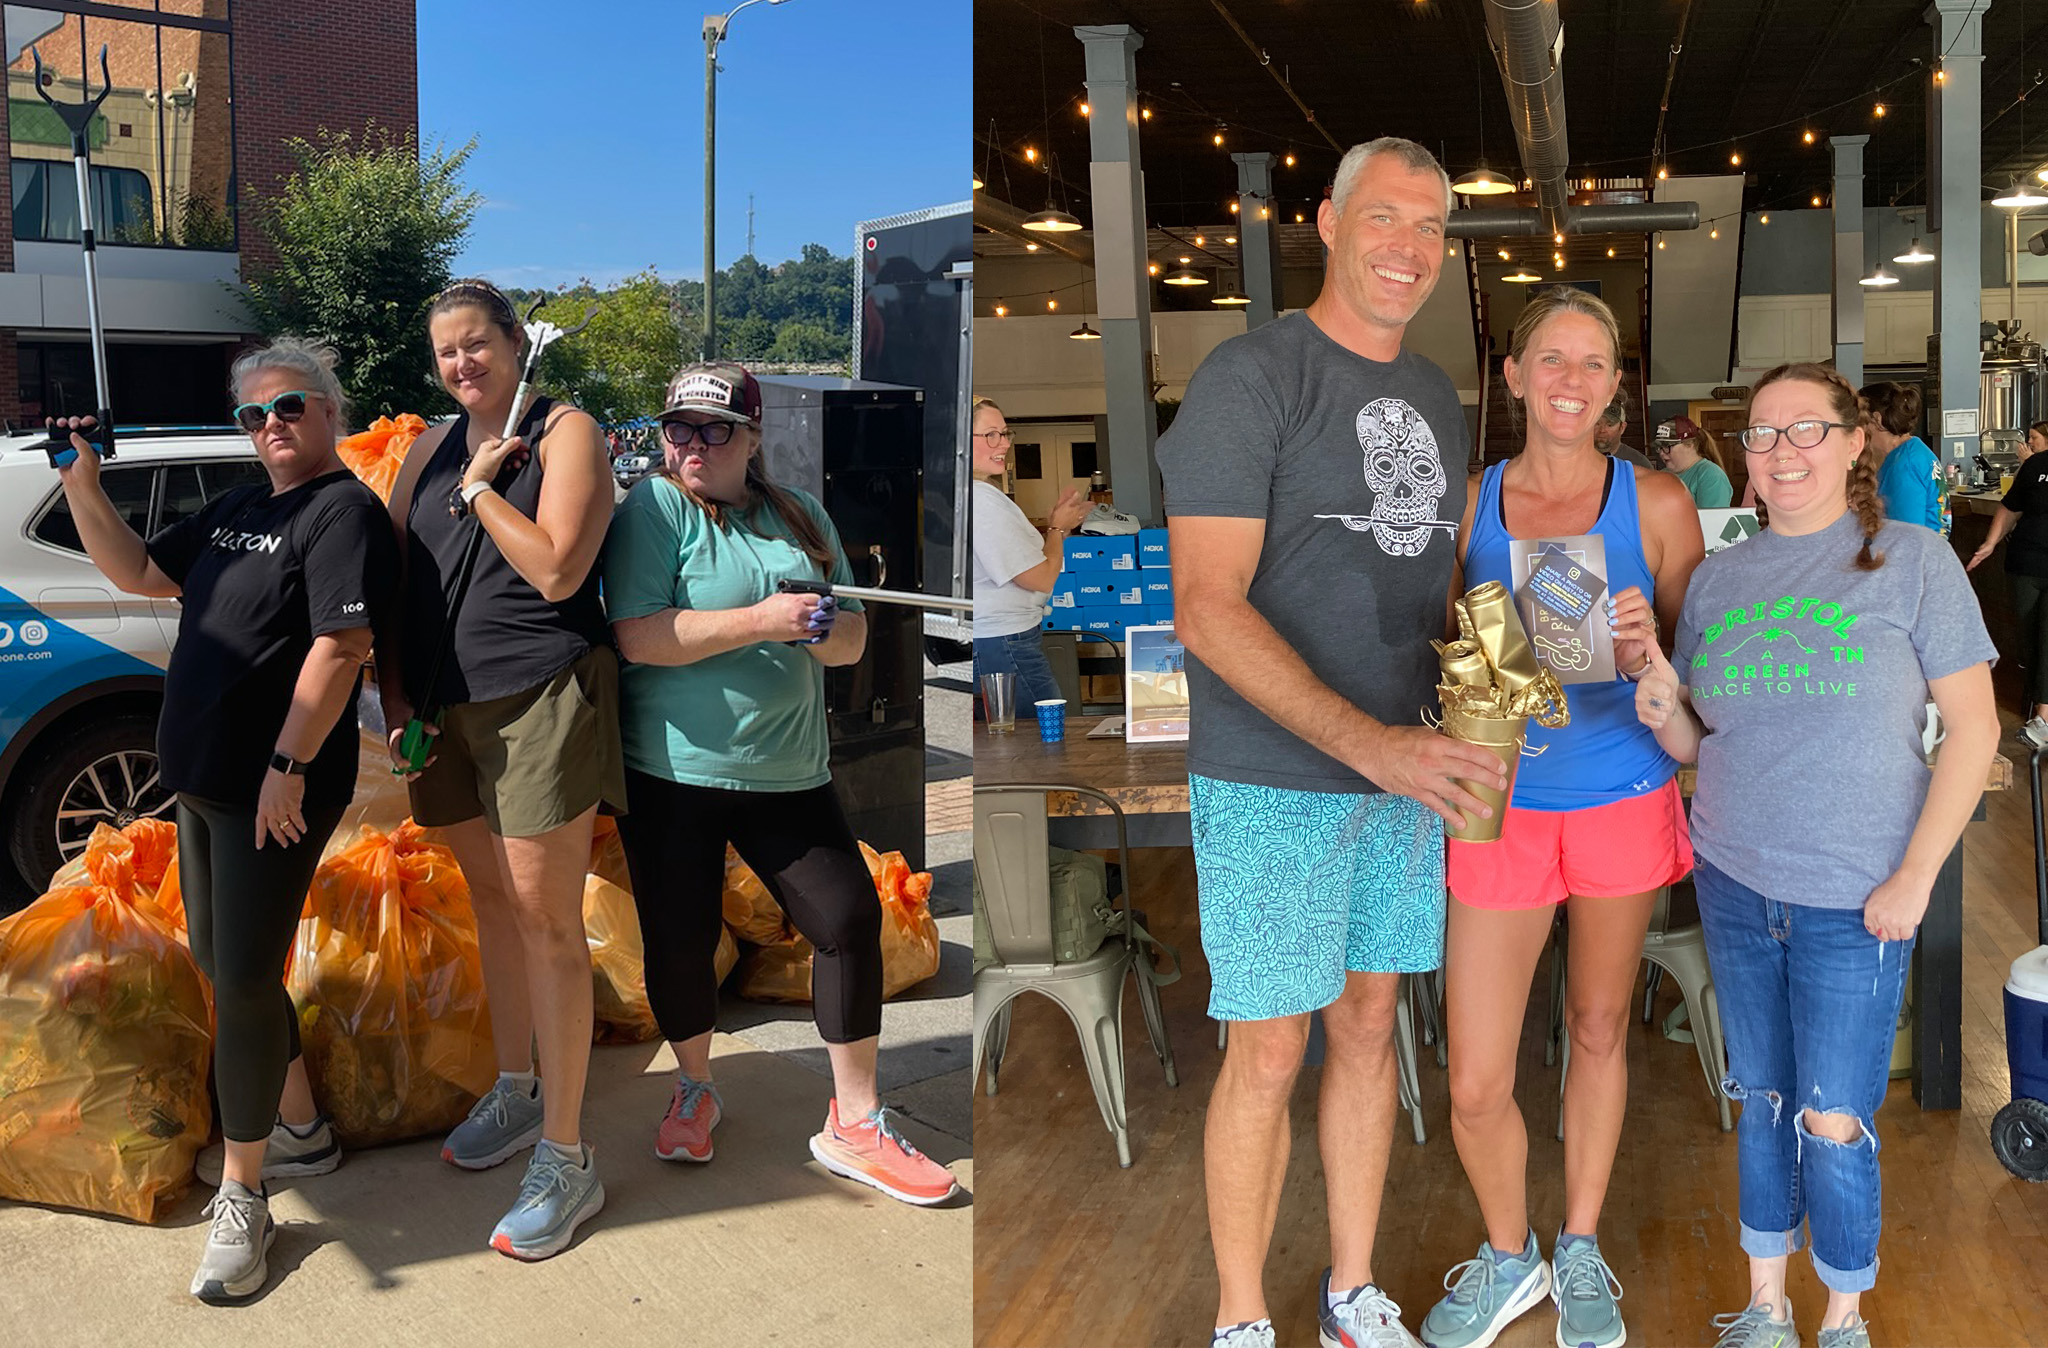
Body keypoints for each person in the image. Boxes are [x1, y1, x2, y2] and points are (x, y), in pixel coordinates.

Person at [1156, 136, 1505, 1348]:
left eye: (1430, 228)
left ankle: (1352, 1291)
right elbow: (1204, 603)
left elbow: (1425, 579)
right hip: (1272, 779)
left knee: (1368, 1028)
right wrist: (1376, 748)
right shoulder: (1249, 377)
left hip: (1404, 770)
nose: (1408, 249)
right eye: (1387, 219)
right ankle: (1242, 1319)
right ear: (1329, 221)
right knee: (1266, 1049)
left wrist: (1494, 681)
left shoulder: (1429, 396)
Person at [1633, 362, 1998, 1348]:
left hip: (1857, 892)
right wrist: (1662, 700)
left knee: (1831, 1117)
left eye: (1803, 430)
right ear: (1741, 461)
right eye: (1760, 434)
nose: (1781, 450)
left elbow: (1972, 730)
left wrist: (1913, 878)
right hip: (1734, 877)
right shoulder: (1717, 580)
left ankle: (1840, 1315)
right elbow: (1702, 746)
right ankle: (1762, 1305)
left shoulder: (1912, 560)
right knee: (1761, 1099)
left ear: (1850, 443)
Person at [53, 338, 398, 1302]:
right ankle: (299, 1129)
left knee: (246, 979)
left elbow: (341, 645)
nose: (271, 427)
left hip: (270, 789)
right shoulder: (246, 505)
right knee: (221, 962)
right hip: (205, 782)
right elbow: (138, 574)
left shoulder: (342, 512)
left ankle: (249, 1196)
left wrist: (289, 764)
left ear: (330, 410)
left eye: (289, 407)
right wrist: (84, 482)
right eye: (253, 415)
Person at [601, 362, 959, 1206]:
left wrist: (824, 628)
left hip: (789, 769)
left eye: (714, 430)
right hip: (672, 770)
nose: (690, 445)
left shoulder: (798, 512)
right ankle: (693, 1088)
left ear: (752, 439)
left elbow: (852, 641)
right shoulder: (653, 510)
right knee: (679, 938)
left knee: (846, 919)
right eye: (677, 429)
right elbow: (640, 637)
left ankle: (857, 1119)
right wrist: (763, 619)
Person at [1426, 288, 1704, 1348]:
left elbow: (1697, 661)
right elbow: (1438, 643)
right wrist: (1464, 659)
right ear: (1511, 374)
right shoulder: (1469, 503)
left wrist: (1649, 651)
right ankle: (1509, 1255)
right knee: (1476, 1075)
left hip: (1621, 798)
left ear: (1614, 385)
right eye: (1551, 359)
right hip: (1498, 805)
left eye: (1592, 364)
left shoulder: (1658, 503)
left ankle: (1576, 1243)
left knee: (1596, 1027)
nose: (1570, 381)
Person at [379, 278, 626, 1260]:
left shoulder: (566, 432)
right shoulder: (424, 450)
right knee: (490, 904)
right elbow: (398, 580)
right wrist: (397, 702)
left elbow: (559, 568)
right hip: (445, 712)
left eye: (476, 343)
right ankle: (520, 1091)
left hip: (536, 696)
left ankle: (568, 1159)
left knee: (546, 922)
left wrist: (483, 488)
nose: (461, 364)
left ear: (517, 343)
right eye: (445, 351)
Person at [971, 396, 1087, 706]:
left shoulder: (970, 494)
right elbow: (1039, 578)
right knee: (1041, 737)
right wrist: (1057, 529)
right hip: (1003, 642)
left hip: (997, 639)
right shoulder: (979, 500)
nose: (1004, 444)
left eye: (1005, 433)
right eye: (990, 434)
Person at [1968, 418, 2048, 745]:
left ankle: (2043, 718)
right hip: (2027, 562)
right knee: (2029, 640)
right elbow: (2009, 508)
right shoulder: (2036, 466)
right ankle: (2037, 711)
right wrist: (1989, 543)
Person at [1863, 381, 1948, 536]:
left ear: (1877, 419)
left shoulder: (1904, 466)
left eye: (1859, 420)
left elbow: (1907, 537)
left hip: (1917, 556)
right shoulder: (1914, 451)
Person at [1656, 416, 1734, 508]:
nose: (1661, 453)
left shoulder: (1711, 475)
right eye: (1659, 447)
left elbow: (1712, 520)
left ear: (1690, 445)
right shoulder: (1661, 475)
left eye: (1667, 446)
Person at [1593, 393, 1654, 469]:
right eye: (1597, 424)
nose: (1602, 430)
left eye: (1610, 425)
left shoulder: (1638, 463)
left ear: (1622, 428)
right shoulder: (1576, 458)